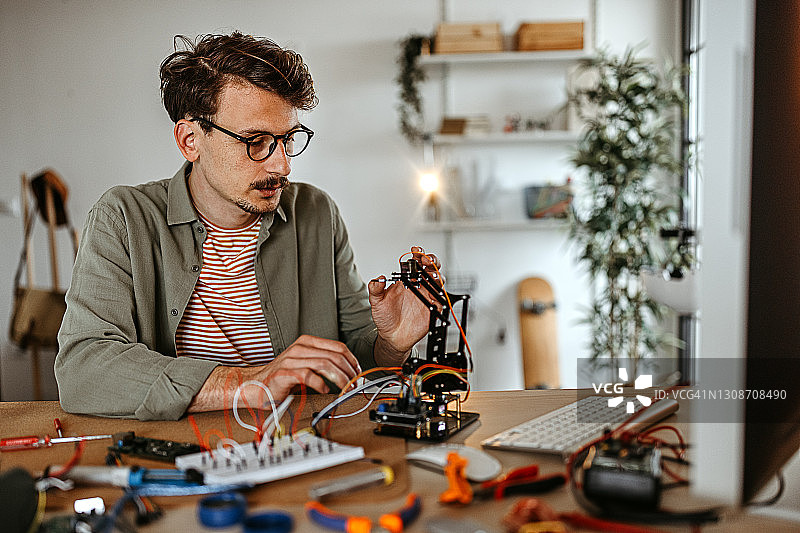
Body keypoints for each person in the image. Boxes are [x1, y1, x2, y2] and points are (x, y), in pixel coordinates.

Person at [54, 32, 439, 421]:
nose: (282, 165)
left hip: (296, 449)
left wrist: (391, 343)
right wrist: (248, 384)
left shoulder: (317, 213)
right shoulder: (122, 218)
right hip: (180, 458)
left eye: (288, 140)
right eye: (256, 141)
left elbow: (355, 357)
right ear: (190, 140)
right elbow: (83, 370)